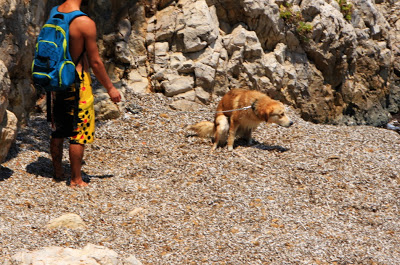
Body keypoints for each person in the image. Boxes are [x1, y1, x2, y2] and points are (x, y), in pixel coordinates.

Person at [49, 0, 121, 187]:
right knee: (78, 131)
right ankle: (76, 179)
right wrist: (110, 88)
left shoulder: (54, 13)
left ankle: (57, 171)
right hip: (76, 81)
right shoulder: (85, 22)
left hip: (55, 79)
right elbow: (95, 62)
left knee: (58, 127)